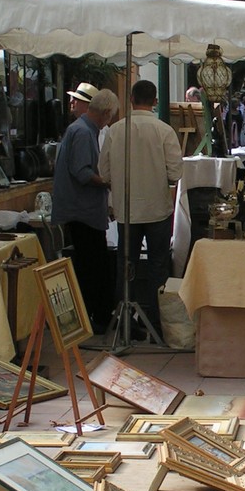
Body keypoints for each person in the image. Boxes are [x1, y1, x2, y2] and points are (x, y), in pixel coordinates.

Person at [99, 79, 183, 338]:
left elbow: (104, 171)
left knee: (126, 265)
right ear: (155, 101)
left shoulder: (115, 131)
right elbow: (176, 171)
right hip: (157, 208)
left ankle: (126, 324)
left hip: (127, 208)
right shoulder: (164, 130)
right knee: (158, 266)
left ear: (131, 99)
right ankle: (158, 324)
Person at [52, 88, 119, 332]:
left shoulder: (82, 130)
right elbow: (82, 172)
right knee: (93, 266)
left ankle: (97, 315)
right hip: (83, 212)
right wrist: (108, 182)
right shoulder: (82, 132)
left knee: (93, 265)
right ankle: (96, 317)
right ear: (106, 113)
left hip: (86, 210)